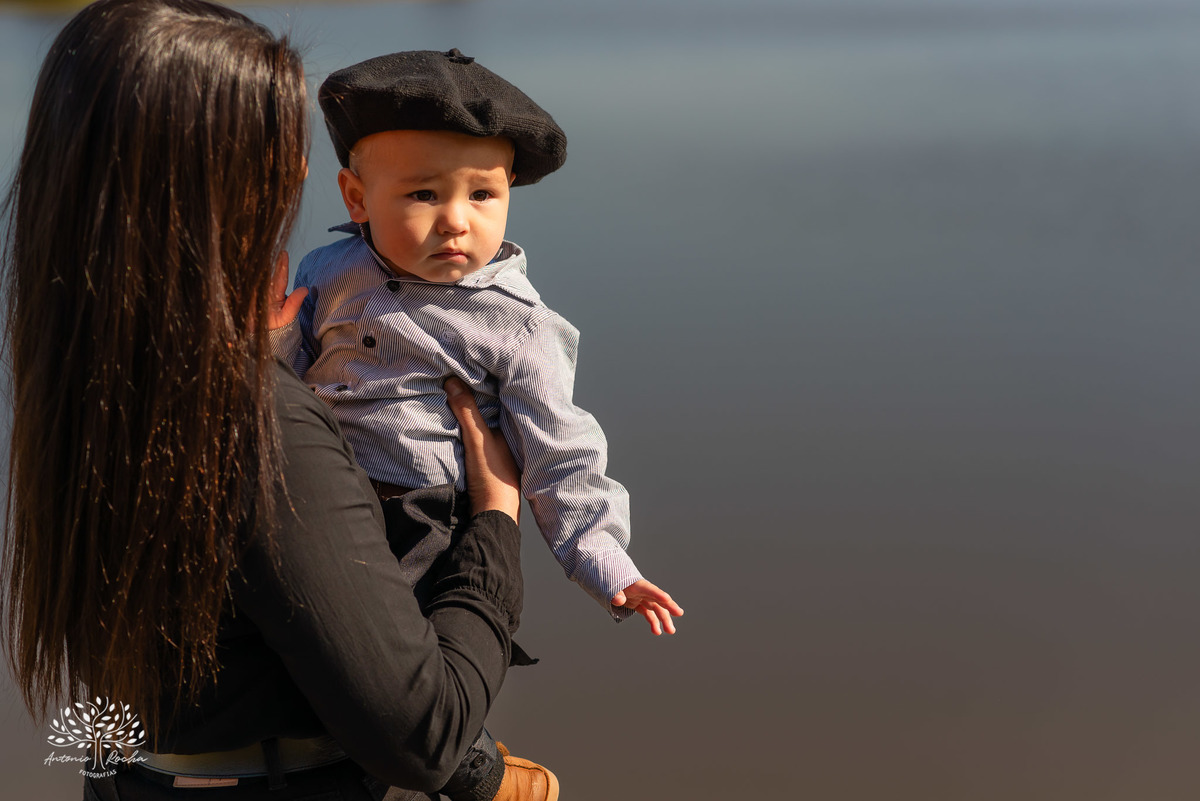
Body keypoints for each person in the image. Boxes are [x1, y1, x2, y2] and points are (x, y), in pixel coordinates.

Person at [2, 2, 550, 800]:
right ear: (205, 187)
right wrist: (495, 523)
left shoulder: (82, 373)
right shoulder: (256, 424)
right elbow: (424, 732)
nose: (296, 173)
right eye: (271, 149)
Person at [270, 49, 685, 637]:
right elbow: (285, 385)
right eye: (424, 195)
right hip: (311, 489)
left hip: (422, 518)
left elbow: (558, 451)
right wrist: (275, 337)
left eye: (482, 195)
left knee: (381, 643)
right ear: (357, 197)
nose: (456, 221)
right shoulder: (327, 270)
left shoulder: (516, 322)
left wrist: (606, 562)